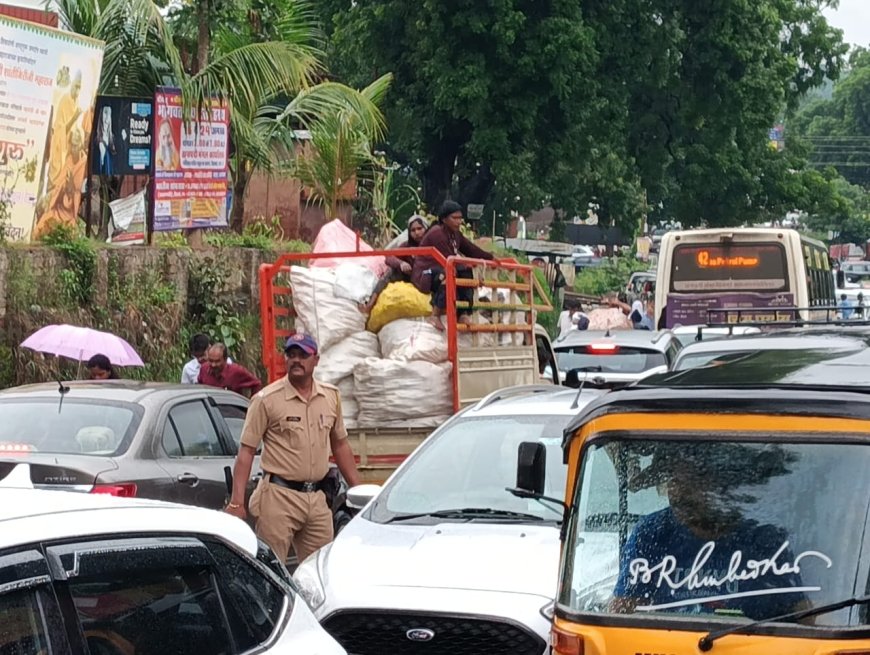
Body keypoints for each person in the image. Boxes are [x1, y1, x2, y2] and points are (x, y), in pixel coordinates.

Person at [612, 445, 812, 619]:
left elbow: (803, 617)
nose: (677, 491)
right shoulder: (651, 533)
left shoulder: (764, 540)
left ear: (720, 485)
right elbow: (622, 613)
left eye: (691, 480)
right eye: (672, 479)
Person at [224, 333, 361, 563]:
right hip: (278, 498)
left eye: (303, 355)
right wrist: (237, 502)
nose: (297, 360)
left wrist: (360, 493)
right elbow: (246, 451)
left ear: (315, 360)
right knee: (272, 570)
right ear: (285, 359)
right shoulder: (266, 399)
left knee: (319, 571)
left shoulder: (330, 397)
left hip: (317, 500)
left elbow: (340, 445)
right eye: (291, 354)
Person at [411, 200, 495, 331]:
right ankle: (435, 315)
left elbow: (470, 249)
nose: (459, 221)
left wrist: (491, 258)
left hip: (442, 269)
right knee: (453, 271)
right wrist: (465, 263)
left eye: (460, 218)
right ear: (444, 219)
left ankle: (463, 313)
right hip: (426, 274)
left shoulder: (455, 234)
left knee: (466, 272)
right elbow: (448, 258)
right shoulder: (437, 233)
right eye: (454, 218)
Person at [366, 214, 429, 310]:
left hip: (428, 278)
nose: (416, 233)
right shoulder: (407, 245)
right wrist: (401, 263)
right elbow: (389, 257)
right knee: (391, 272)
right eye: (413, 230)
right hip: (411, 276)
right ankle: (371, 303)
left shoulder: (433, 244)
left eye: (420, 228)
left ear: (426, 228)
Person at [197, 343, 262, 397]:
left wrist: (252, 404)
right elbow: (199, 386)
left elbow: (256, 384)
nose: (213, 365)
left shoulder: (236, 371)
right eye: (211, 361)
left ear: (225, 359)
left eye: (217, 361)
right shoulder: (204, 369)